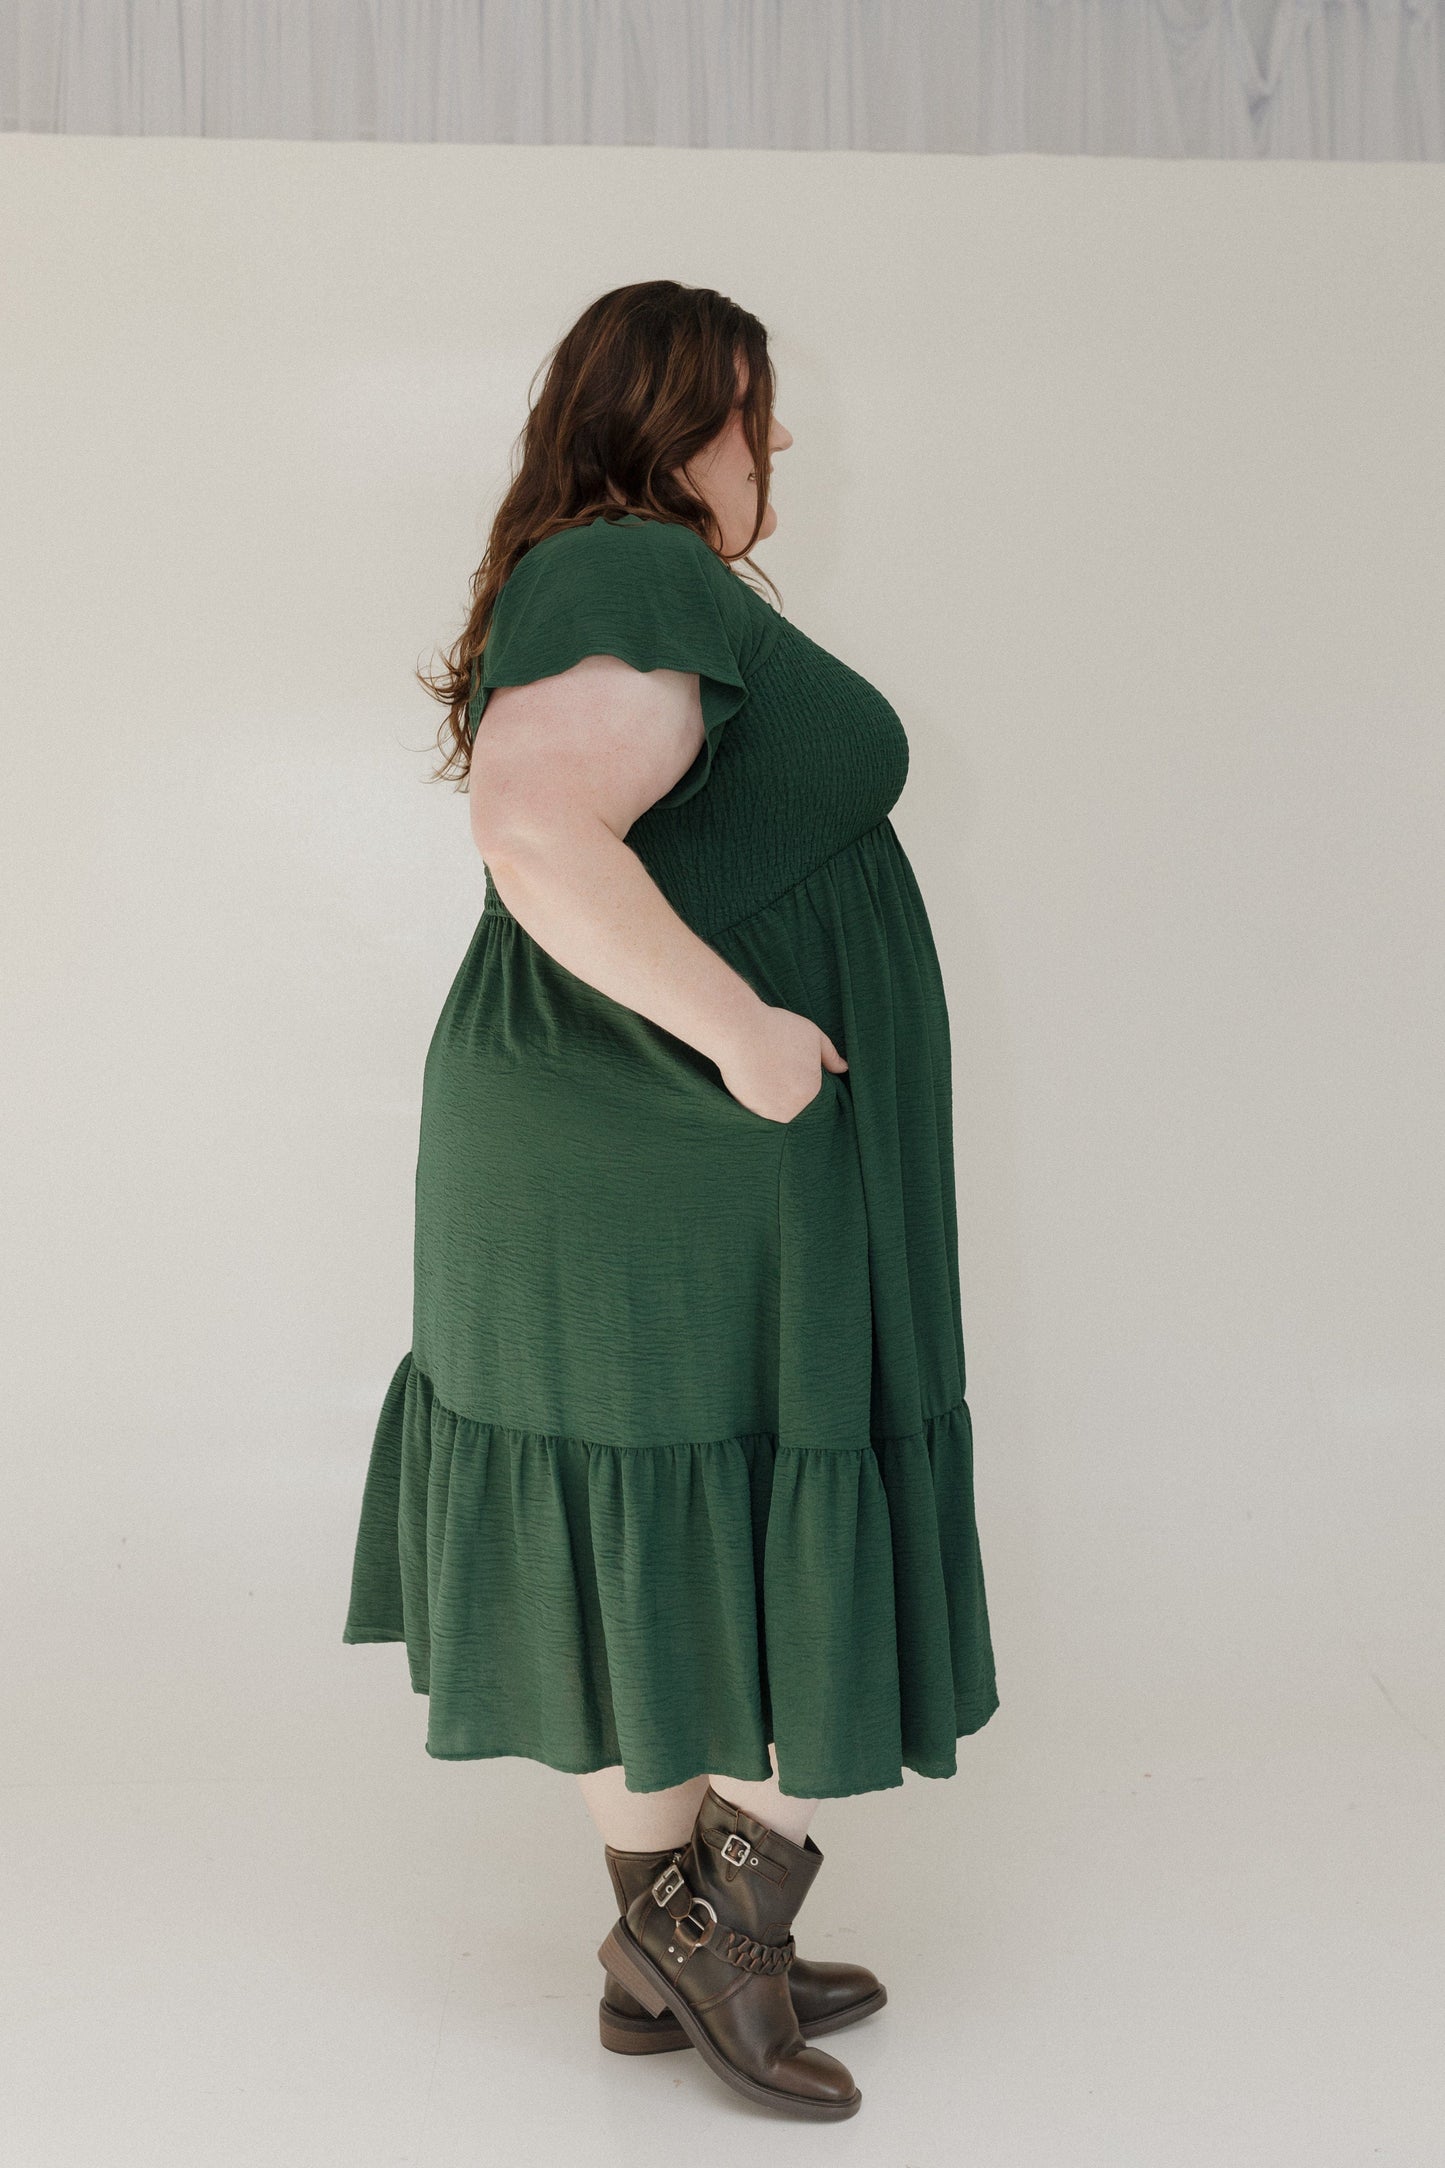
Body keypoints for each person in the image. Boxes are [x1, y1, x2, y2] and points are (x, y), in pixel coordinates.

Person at [342, 278, 998, 2122]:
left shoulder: (597, 572)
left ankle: (677, 1942)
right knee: (729, 1471)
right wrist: (753, 1040)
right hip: (667, 1147)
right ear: (668, 419)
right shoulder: (632, 565)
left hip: (650, 1147)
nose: (770, 452)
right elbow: (538, 828)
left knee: (678, 1483)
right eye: (747, 417)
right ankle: (716, 1930)